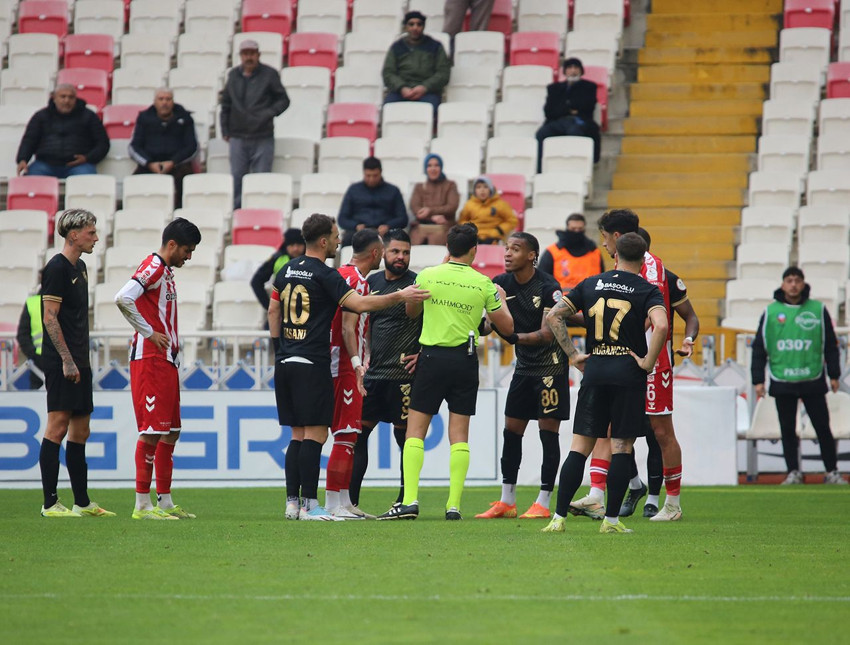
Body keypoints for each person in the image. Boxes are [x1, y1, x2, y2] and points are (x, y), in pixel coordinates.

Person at [270, 214, 429, 521]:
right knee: (333, 434)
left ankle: (297, 503)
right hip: (325, 363)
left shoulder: (288, 268)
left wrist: (279, 349)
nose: (339, 241)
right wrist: (358, 361)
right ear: (324, 240)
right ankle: (321, 504)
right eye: (335, 235)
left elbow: (274, 308)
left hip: (288, 359)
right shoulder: (338, 276)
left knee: (298, 435)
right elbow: (352, 316)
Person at [377, 223, 514, 521]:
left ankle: (410, 501)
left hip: (431, 358)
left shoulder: (427, 275)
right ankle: (453, 505)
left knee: (415, 432)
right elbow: (507, 327)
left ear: (448, 248)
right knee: (459, 436)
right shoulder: (483, 283)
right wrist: (501, 299)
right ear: (474, 249)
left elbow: (412, 312)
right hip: (465, 360)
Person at [569, 212, 693, 522]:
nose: (602, 243)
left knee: (661, 431)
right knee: (609, 428)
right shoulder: (621, 265)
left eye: (605, 237)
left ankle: (672, 504)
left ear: (619, 237)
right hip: (624, 360)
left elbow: (649, 317)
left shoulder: (650, 269)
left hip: (649, 361)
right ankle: (597, 495)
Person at [543, 232, 667, 534]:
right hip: (627, 371)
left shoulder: (591, 283)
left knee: (580, 447)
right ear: (644, 257)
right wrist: (648, 362)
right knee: (622, 446)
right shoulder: (647, 289)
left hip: (596, 368)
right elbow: (661, 325)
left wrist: (573, 355)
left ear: (615, 256)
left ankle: (558, 518)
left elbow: (554, 316)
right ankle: (611, 521)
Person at [474, 232, 569, 520]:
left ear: (531, 255)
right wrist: (474, 322)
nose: (507, 254)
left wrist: (512, 336)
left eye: (515, 249)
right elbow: (488, 326)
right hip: (524, 368)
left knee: (547, 435)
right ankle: (507, 501)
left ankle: (542, 502)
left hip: (550, 368)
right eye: (506, 249)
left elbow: (545, 334)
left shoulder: (549, 286)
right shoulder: (500, 284)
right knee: (511, 431)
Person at [115, 217, 203, 520]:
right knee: (152, 431)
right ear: (172, 245)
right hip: (149, 359)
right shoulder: (152, 266)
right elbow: (123, 297)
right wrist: (149, 332)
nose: (188, 257)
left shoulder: (165, 271)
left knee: (171, 431)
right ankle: (142, 505)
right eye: (187, 250)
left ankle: (164, 501)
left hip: (165, 361)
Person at [38, 209, 115, 518]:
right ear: (73, 235)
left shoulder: (80, 267)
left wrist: (79, 360)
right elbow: (49, 317)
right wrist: (67, 360)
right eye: (91, 232)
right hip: (62, 362)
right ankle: (49, 503)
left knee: (80, 430)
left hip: (79, 360)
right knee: (57, 427)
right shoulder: (56, 268)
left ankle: (81, 502)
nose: (95, 237)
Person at [350, 230, 423, 513]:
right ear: (383, 254)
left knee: (405, 440)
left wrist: (423, 355)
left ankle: (405, 500)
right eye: (395, 252)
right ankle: (350, 502)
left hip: (404, 377)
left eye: (406, 253)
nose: (401, 258)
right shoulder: (372, 282)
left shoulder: (417, 283)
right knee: (359, 436)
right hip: (375, 375)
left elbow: (430, 324)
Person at [751, 267, 846, 486]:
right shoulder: (771, 312)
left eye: (797, 280)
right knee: (787, 430)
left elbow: (830, 345)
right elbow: (759, 348)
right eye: (789, 280)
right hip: (782, 378)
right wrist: (758, 379)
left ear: (803, 284)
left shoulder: (818, 309)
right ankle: (793, 471)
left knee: (823, 427)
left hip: (812, 377)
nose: (793, 284)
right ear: (783, 284)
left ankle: (831, 471)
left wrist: (834, 374)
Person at [325, 229, 385, 519]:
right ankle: (333, 505)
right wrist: (357, 362)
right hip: (345, 366)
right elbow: (348, 327)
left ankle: (345, 501)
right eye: (382, 252)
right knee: (346, 434)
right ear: (375, 253)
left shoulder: (339, 273)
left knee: (349, 434)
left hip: (336, 362)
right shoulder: (358, 282)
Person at [220, 38, 290, 209]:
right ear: (240, 56)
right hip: (237, 136)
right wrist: (225, 129)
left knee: (261, 181)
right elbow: (226, 103)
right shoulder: (233, 75)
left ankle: (260, 211)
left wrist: (268, 114)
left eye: (252, 53)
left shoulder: (269, 74)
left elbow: (283, 100)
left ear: (258, 55)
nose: (249, 57)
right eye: (245, 54)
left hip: (262, 135)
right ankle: (237, 214)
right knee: (237, 179)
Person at [16, 84, 109, 178]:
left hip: (79, 166)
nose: (67, 100)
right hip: (45, 165)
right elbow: (29, 140)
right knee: (32, 181)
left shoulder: (89, 116)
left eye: (71, 97)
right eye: (63, 96)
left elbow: (103, 143)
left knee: (86, 183)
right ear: (54, 98)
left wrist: (87, 158)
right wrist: (23, 159)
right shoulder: (40, 116)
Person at [128, 88, 199, 209]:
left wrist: (173, 162)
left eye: (168, 99)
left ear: (173, 101)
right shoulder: (144, 118)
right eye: (161, 99)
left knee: (186, 183)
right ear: (155, 101)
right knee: (134, 184)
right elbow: (134, 147)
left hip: (178, 165)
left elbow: (192, 147)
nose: (164, 102)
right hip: (150, 165)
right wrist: (149, 163)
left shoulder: (185, 118)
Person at [535, 57, 600, 171]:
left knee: (574, 132)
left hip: (580, 121)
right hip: (558, 121)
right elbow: (549, 111)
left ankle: (576, 168)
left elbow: (588, 106)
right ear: (565, 71)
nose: (573, 71)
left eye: (576, 68)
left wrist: (564, 107)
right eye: (570, 68)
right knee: (541, 133)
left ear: (581, 70)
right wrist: (569, 108)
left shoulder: (589, 87)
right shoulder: (554, 88)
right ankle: (541, 169)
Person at [382, 11, 451, 115]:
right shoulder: (397, 47)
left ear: (423, 26)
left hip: (428, 92)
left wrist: (424, 87)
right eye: (411, 24)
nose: (415, 28)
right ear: (405, 27)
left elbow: (443, 73)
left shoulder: (435, 46)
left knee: (428, 111)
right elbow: (388, 73)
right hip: (400, 91)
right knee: (389, 109)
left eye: (419, 24)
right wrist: (402, 87)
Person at [337, 157, 408, 246]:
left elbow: (403, 218)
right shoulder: (353, 190)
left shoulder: (393, 191)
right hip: (358, 232)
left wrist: (388, 226)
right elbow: (342, 219)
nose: (371, 179)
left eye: (375, 175)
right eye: (368, 176)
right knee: (348, 240)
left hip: (385, 232)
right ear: (363, 173)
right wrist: (356, 226)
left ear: (381, 172)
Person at [538, 213, 605, 293]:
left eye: (580, 229)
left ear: (584, 229)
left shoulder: (594, 253)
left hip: (589, 302)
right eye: (573, 229)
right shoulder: (552, 252)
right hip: (560, 303)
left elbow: (602, 279)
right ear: (567, 228)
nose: (577, 232)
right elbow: (541, 281)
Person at [250, 228, 307, 315]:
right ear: (286, 245)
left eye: (299, 244)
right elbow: (256, 281)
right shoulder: (277, 258)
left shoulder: (311, 259)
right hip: (282, 311)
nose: (295, 248)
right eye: (291, 245)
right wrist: (269, 306)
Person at [409, 153, 460, 246]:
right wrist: (432, 217)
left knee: (438, 240)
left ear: (441, 167)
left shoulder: (450, 185)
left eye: (436, 165)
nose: (433, 169)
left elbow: (452, 206)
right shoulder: (419, 187)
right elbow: (414, 206)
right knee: (415, 240)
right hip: (423, 226)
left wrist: (430, 211)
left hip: (445, 225)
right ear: (425, 169)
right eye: (429, 166)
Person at [457, 176, 518, 245]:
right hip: (475, 236)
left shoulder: (500, 204)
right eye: (478, 187)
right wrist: (470, 229)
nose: (482, 190)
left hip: (494, 236)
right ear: (474, 190)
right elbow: (462, 221)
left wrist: (499, 230)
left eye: (485, 187)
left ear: (491, 189)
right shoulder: (469, 204)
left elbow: (512, 220)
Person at [16, 275, 44, 390]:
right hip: (41, 362)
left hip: (39, 359)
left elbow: (22, 335)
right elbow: (22, 335)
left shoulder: (32, 303)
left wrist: (34, 355)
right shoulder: (32, 303)